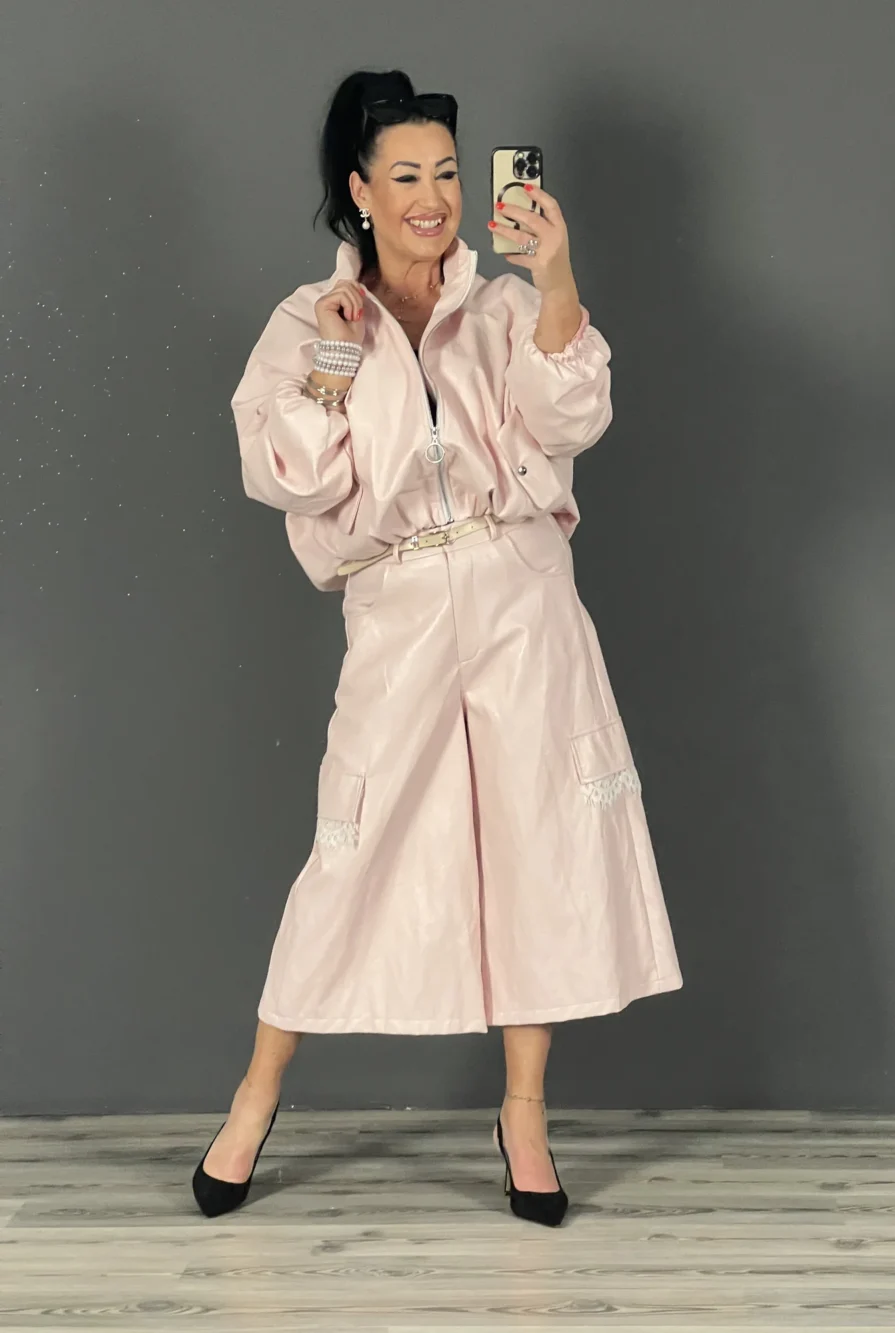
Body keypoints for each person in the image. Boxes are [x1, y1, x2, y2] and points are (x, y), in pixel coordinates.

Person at [192, 68, 683, 1228]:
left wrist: (555, 278)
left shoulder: (504, 306)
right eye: (405, 174)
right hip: (400, 601)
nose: (433, 196)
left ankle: (524, 1115)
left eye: (448, 172)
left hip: (521, 591)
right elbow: (285, 473)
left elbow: (571, 416)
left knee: (536, 843)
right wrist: (335, 359)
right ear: (358, 190)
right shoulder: (305, 322)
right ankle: (255, 1100)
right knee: (350, 851)